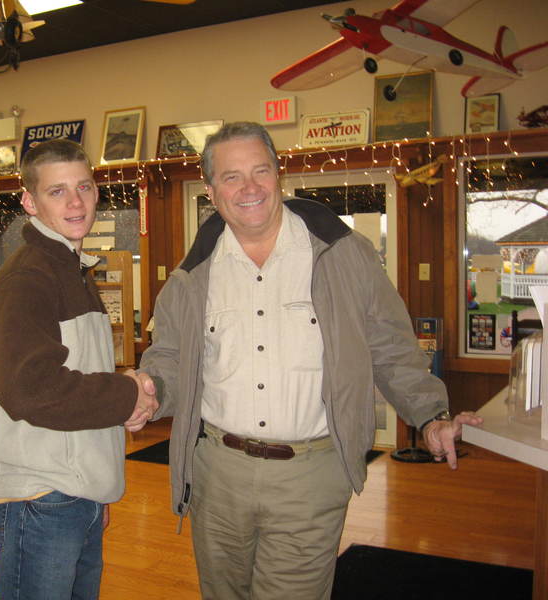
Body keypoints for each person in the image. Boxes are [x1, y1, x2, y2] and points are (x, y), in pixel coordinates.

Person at [138, 121, 482, 600]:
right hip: (217, 475)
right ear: (212, 192)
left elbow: (390, 346)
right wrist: (149, 392)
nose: (250, 187)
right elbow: (171, 360)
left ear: (278, 176)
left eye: (261, 171)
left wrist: (430, 414)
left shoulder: (344, 256)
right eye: (232, 177)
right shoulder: (191, 278)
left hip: (311, 475)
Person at [0, 138, 158, 600]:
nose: (76, 202)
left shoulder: (73, 270)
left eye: (84, 187)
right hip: (40, 498)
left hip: (76, 493)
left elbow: (80, 376)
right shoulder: (29, 278)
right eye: (57, 191)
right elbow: (31, 390)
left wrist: (98, 485)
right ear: (29, 202)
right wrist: (127, 395)